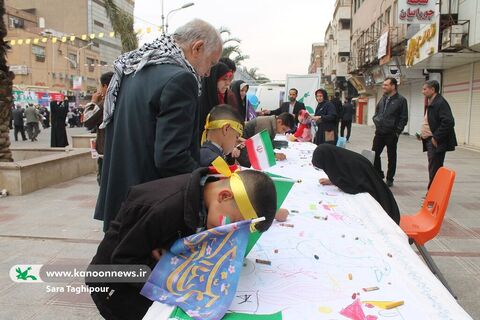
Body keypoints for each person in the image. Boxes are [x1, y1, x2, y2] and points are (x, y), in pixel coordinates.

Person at [87, 168, 277, 320]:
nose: (227, 233)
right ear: (224, 196)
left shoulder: (205, 196)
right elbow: (122, 263)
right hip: (113, 286)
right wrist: (172, 279)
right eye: (231, 225)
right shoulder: (162, 207)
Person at [95, 19, 223, 232]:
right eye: (211, 63)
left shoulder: (133, 68)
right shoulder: (181, 79)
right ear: (197, 48)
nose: (208, 73)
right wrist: (207, 184)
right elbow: (172, 157)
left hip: (121, 198)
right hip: (148, 207)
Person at [312, 144, 400, 224]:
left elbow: (354, 186)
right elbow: (344, 175)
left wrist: (339, 184)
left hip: (383, 206)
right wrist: (332, 181)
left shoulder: (351, 163)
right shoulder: (341, 158)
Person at [372, 77, 408, 187]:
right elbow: (377, 111)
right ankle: (378, 174)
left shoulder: (401, 100)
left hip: (391, 133)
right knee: (374, 154)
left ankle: (389, 178)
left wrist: (397, 131)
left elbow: (404, 117)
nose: (383, 87)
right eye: (383, 85)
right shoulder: (383, 99)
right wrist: (376, 119)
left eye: (386, 85)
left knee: (391, 157)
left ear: (393, 86)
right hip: (380, 132)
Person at [420, 80, 457, 189]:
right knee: (434, 168)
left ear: (432, 89)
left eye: (425, 89)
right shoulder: (433, 101)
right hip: (430, 140)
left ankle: (432, 194)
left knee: (435, 169)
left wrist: (436, 137)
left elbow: (449, 121)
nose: (423, 92)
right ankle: (434, 193)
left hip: (435, 141)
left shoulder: (440, 102)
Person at [83, 71, 115, 185]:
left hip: (106, 152)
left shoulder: (105, 104)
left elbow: (87, 121)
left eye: (100, 87)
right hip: (121, 151)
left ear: (105, 86)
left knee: (105, 184)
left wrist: (93, 102)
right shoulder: (124, 100)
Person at [199, 62, 235, 132]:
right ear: (214, 79)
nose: (227, 83)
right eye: (224, 79)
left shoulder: (223, 99)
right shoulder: (200, 103)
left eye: (229, 80)